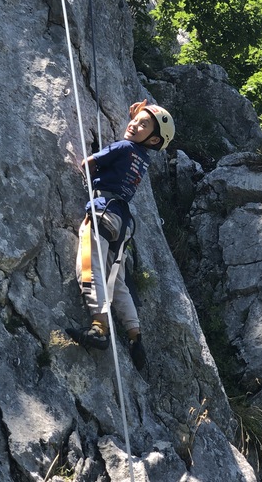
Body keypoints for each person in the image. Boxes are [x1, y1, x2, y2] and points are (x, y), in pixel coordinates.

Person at [66, 99, 175, 370]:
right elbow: (134, 144)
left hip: (103, 213)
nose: (134, 124)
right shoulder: (143, 158)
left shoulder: (124, 147)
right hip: (122, 222)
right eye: (135, 120)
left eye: (143, 125)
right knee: (117, 281)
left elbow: (87, 164)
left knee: (89, 267)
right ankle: (135, 335)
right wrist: (142, 118)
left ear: (153, 140)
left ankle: (99, 327)